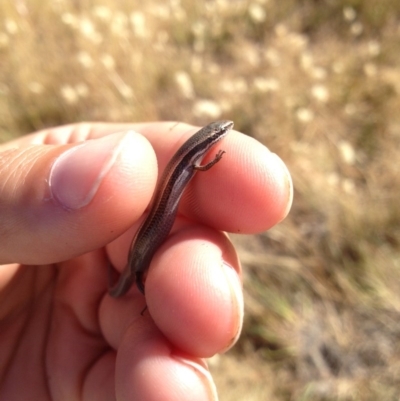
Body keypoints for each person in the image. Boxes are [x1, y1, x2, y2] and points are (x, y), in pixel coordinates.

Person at [0, 121, 292, 400]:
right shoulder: (192, 161)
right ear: (211, 139)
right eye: (221, 132)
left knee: (166, 272)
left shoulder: (191, 159)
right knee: (141, 272)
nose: (225, 133)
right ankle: (142, 292)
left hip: (146, 238)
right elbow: (199, 166)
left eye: (223, 132)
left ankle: (138, 289)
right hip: (141, 248)